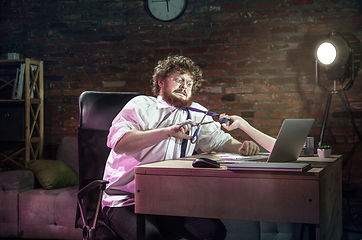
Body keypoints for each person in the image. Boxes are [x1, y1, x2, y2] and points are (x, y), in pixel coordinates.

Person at [102, 55, 275, 240]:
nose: (185, 86)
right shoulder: (141, 105)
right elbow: (120, 143)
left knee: (213, 231)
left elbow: (219, 141)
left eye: (189, 83)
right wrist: (168, 131)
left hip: (168, 201)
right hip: (125, 201)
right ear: (160, 81)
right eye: (179, 79)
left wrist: (242, 147)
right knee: (151, 237)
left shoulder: (196, 113)